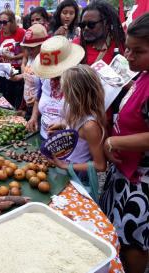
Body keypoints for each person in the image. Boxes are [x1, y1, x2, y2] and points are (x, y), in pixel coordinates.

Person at [99, 13, 149, 273]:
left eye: (137, 51)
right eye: (128, 48)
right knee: (117, 231)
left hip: (142, 182)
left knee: (133, 240)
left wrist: (114, 141)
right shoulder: (142, 74)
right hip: (124, 172)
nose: (128, 56)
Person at [48, 64, 107, 174]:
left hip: (79, 175)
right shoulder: (72, 109)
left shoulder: (90, 126)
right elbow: (77, 131)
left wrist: (65, 166)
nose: (62, 93)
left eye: (64, 89)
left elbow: (100, 165)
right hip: (66, 166)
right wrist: (63, 124)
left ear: (75, 93)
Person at [28, 36, 85, 139]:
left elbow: (87, 117)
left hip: (68, 143)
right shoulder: (45, 78)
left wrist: (66, 124)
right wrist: (34, 117)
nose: (52, 75)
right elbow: (38, 98)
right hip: (44, 136)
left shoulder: (79, 82)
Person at [0, 10, 26, 109]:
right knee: (2, 102)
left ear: (12, 21)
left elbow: (27, 53)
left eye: (4, 22)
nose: (2, 25)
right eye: (0, 22)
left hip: (16, 71)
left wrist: (13, 57)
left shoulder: (21, 32)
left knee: (14, 103)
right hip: (2, 71)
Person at [10, 24, 49, 119]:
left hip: (39, 109)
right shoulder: (31, 58)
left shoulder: (46, 64)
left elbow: (47, 89)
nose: (29, 51)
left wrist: (37, 100)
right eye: (27, 48)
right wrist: (16, 77)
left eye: (32, 48)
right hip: (28, 105)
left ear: (42, 45)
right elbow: (29, 75)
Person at [73, 0, 125, 65]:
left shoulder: (121, 44)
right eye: (82, 25)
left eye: (91, 24)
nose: (86, 28)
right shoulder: (74, 47)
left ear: (107, 24)